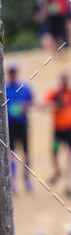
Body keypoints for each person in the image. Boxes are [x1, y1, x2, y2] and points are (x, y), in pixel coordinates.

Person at [5, 64, 34, 193]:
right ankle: (13, 182)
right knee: (11, 154)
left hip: (22, 125)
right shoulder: (4, 89)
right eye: (11, 72)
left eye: (14, 72)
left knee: (26, 154)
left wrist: (24, 106)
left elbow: (31, 102)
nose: (12, 74)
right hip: (9, 126)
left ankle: (27, 180)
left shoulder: (24, 88)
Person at [44, 73, 71, 190]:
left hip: (70, 129)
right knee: (54, 152)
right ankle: (57, 170)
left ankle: (68, 185)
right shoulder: (55, 94)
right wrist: (55, 105)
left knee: (70, 157)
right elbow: (45, 104)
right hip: (58, 130)